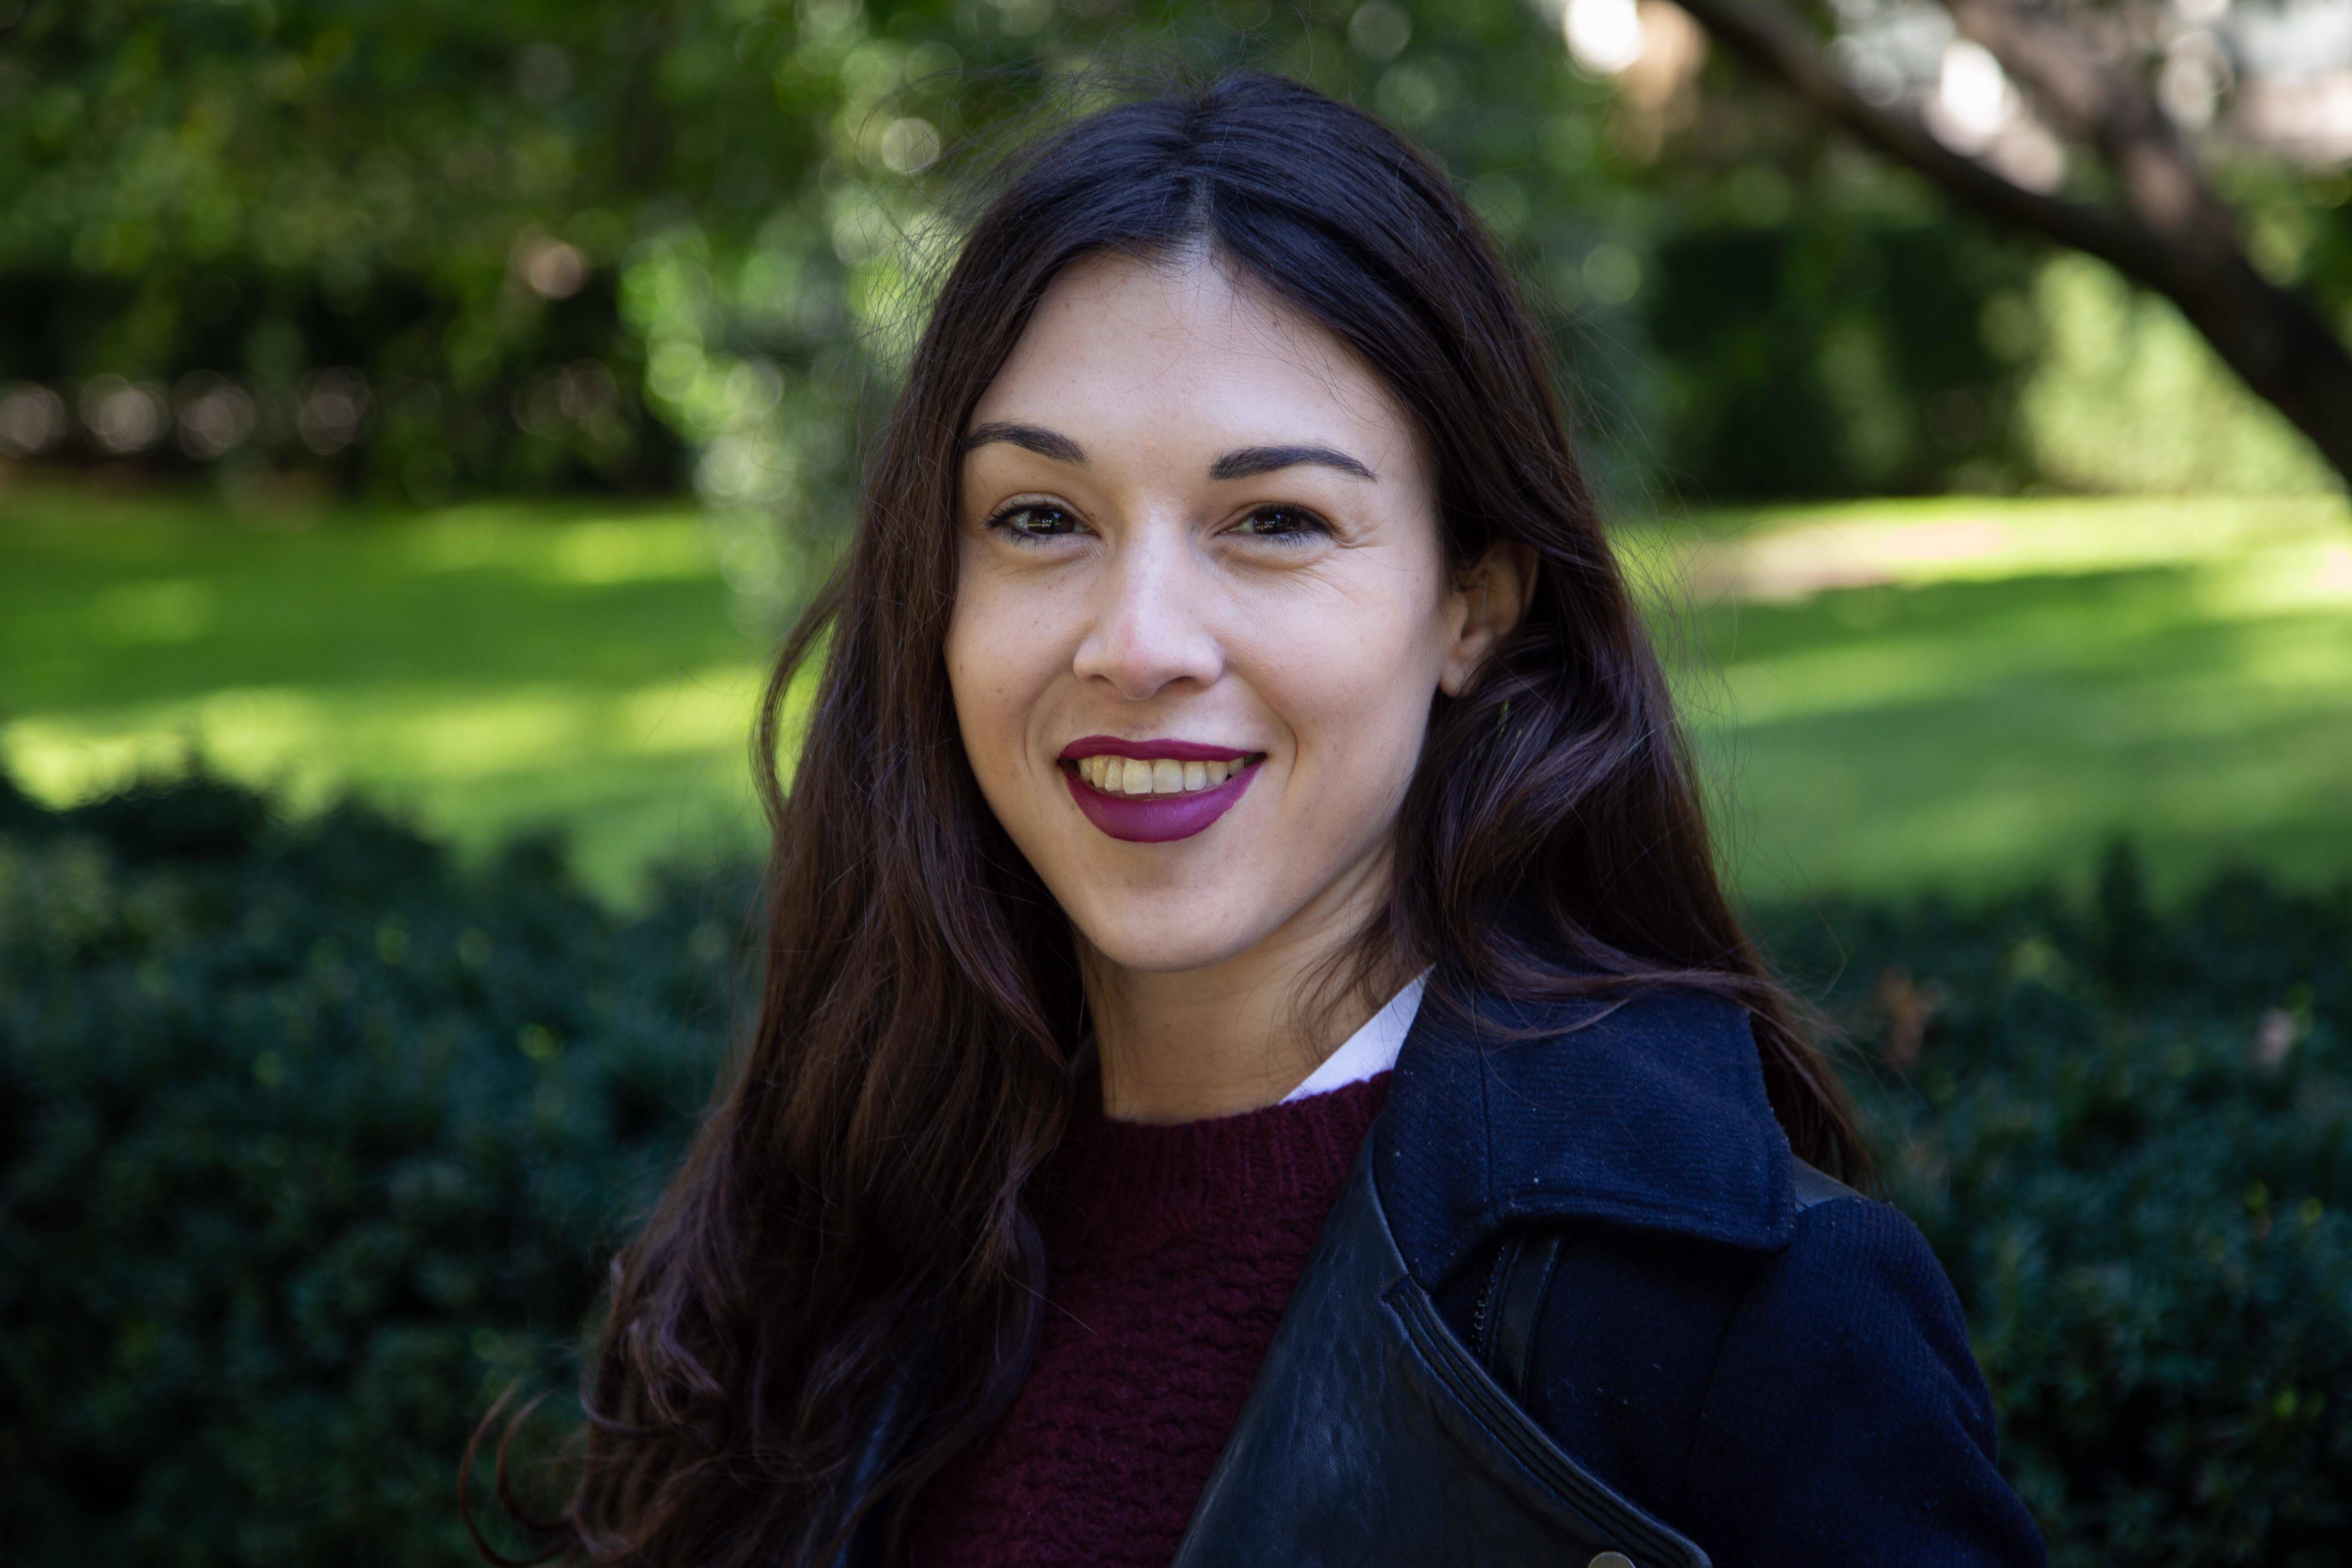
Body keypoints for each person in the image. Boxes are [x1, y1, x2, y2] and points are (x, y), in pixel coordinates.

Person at [526, 72, 2048, 1568]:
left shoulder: (1741, 1319)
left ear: (1471, 606)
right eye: (1041, 518)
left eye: (1275, 522)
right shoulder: (844, 1215)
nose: (1138, 643)